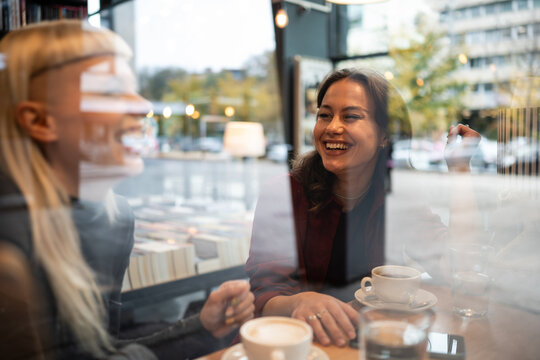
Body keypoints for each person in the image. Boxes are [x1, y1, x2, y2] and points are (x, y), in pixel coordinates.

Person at [0, 20, 253, 360]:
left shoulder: (112, 217)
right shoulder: (8, 256)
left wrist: (202, 326)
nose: (142, 105)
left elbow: (98, 352)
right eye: (108, 91)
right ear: (40, 121)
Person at [246, 68, 480, 348]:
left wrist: (461, 169)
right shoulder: (284, 192)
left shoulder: (396, 200)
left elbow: (457, 268)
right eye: (324, 115)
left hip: (363, 345)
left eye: (351, 116)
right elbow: (263, 296)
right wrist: (300, 301)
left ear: (384, 135)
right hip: (290, 347)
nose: (332, 127)